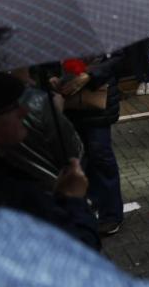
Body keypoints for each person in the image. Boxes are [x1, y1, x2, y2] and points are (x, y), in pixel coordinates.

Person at [0, 72, 99, 249]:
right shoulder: (3, 193)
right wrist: (74, 200)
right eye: (12, 107)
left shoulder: (4, 168)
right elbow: (79, 247)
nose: (23, 111)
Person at [52, 55, 125, 236]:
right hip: (66, 100)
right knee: (75, 158)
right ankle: (85, 206)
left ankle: (111, 214)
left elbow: (119, 58)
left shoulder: (104, 29)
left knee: (100, 153)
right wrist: (50, 77)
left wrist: (89, 76)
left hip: (96, 97)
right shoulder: (54, 32)